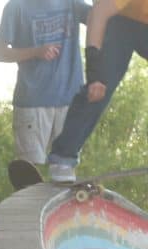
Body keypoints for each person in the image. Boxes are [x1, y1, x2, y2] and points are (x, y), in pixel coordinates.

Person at [47, 0, 148, 180]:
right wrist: (95, 73)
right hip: (116, 19)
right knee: (100, 87)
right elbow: (99, 14)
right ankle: (63, 158)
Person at [0, 0, 91, 167]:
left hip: (70, 101)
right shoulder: (16, 7)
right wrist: (36, 51)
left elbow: (105, 17)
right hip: (32, 103)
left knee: (64, 171)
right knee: (29, 173)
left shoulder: (72, 3)